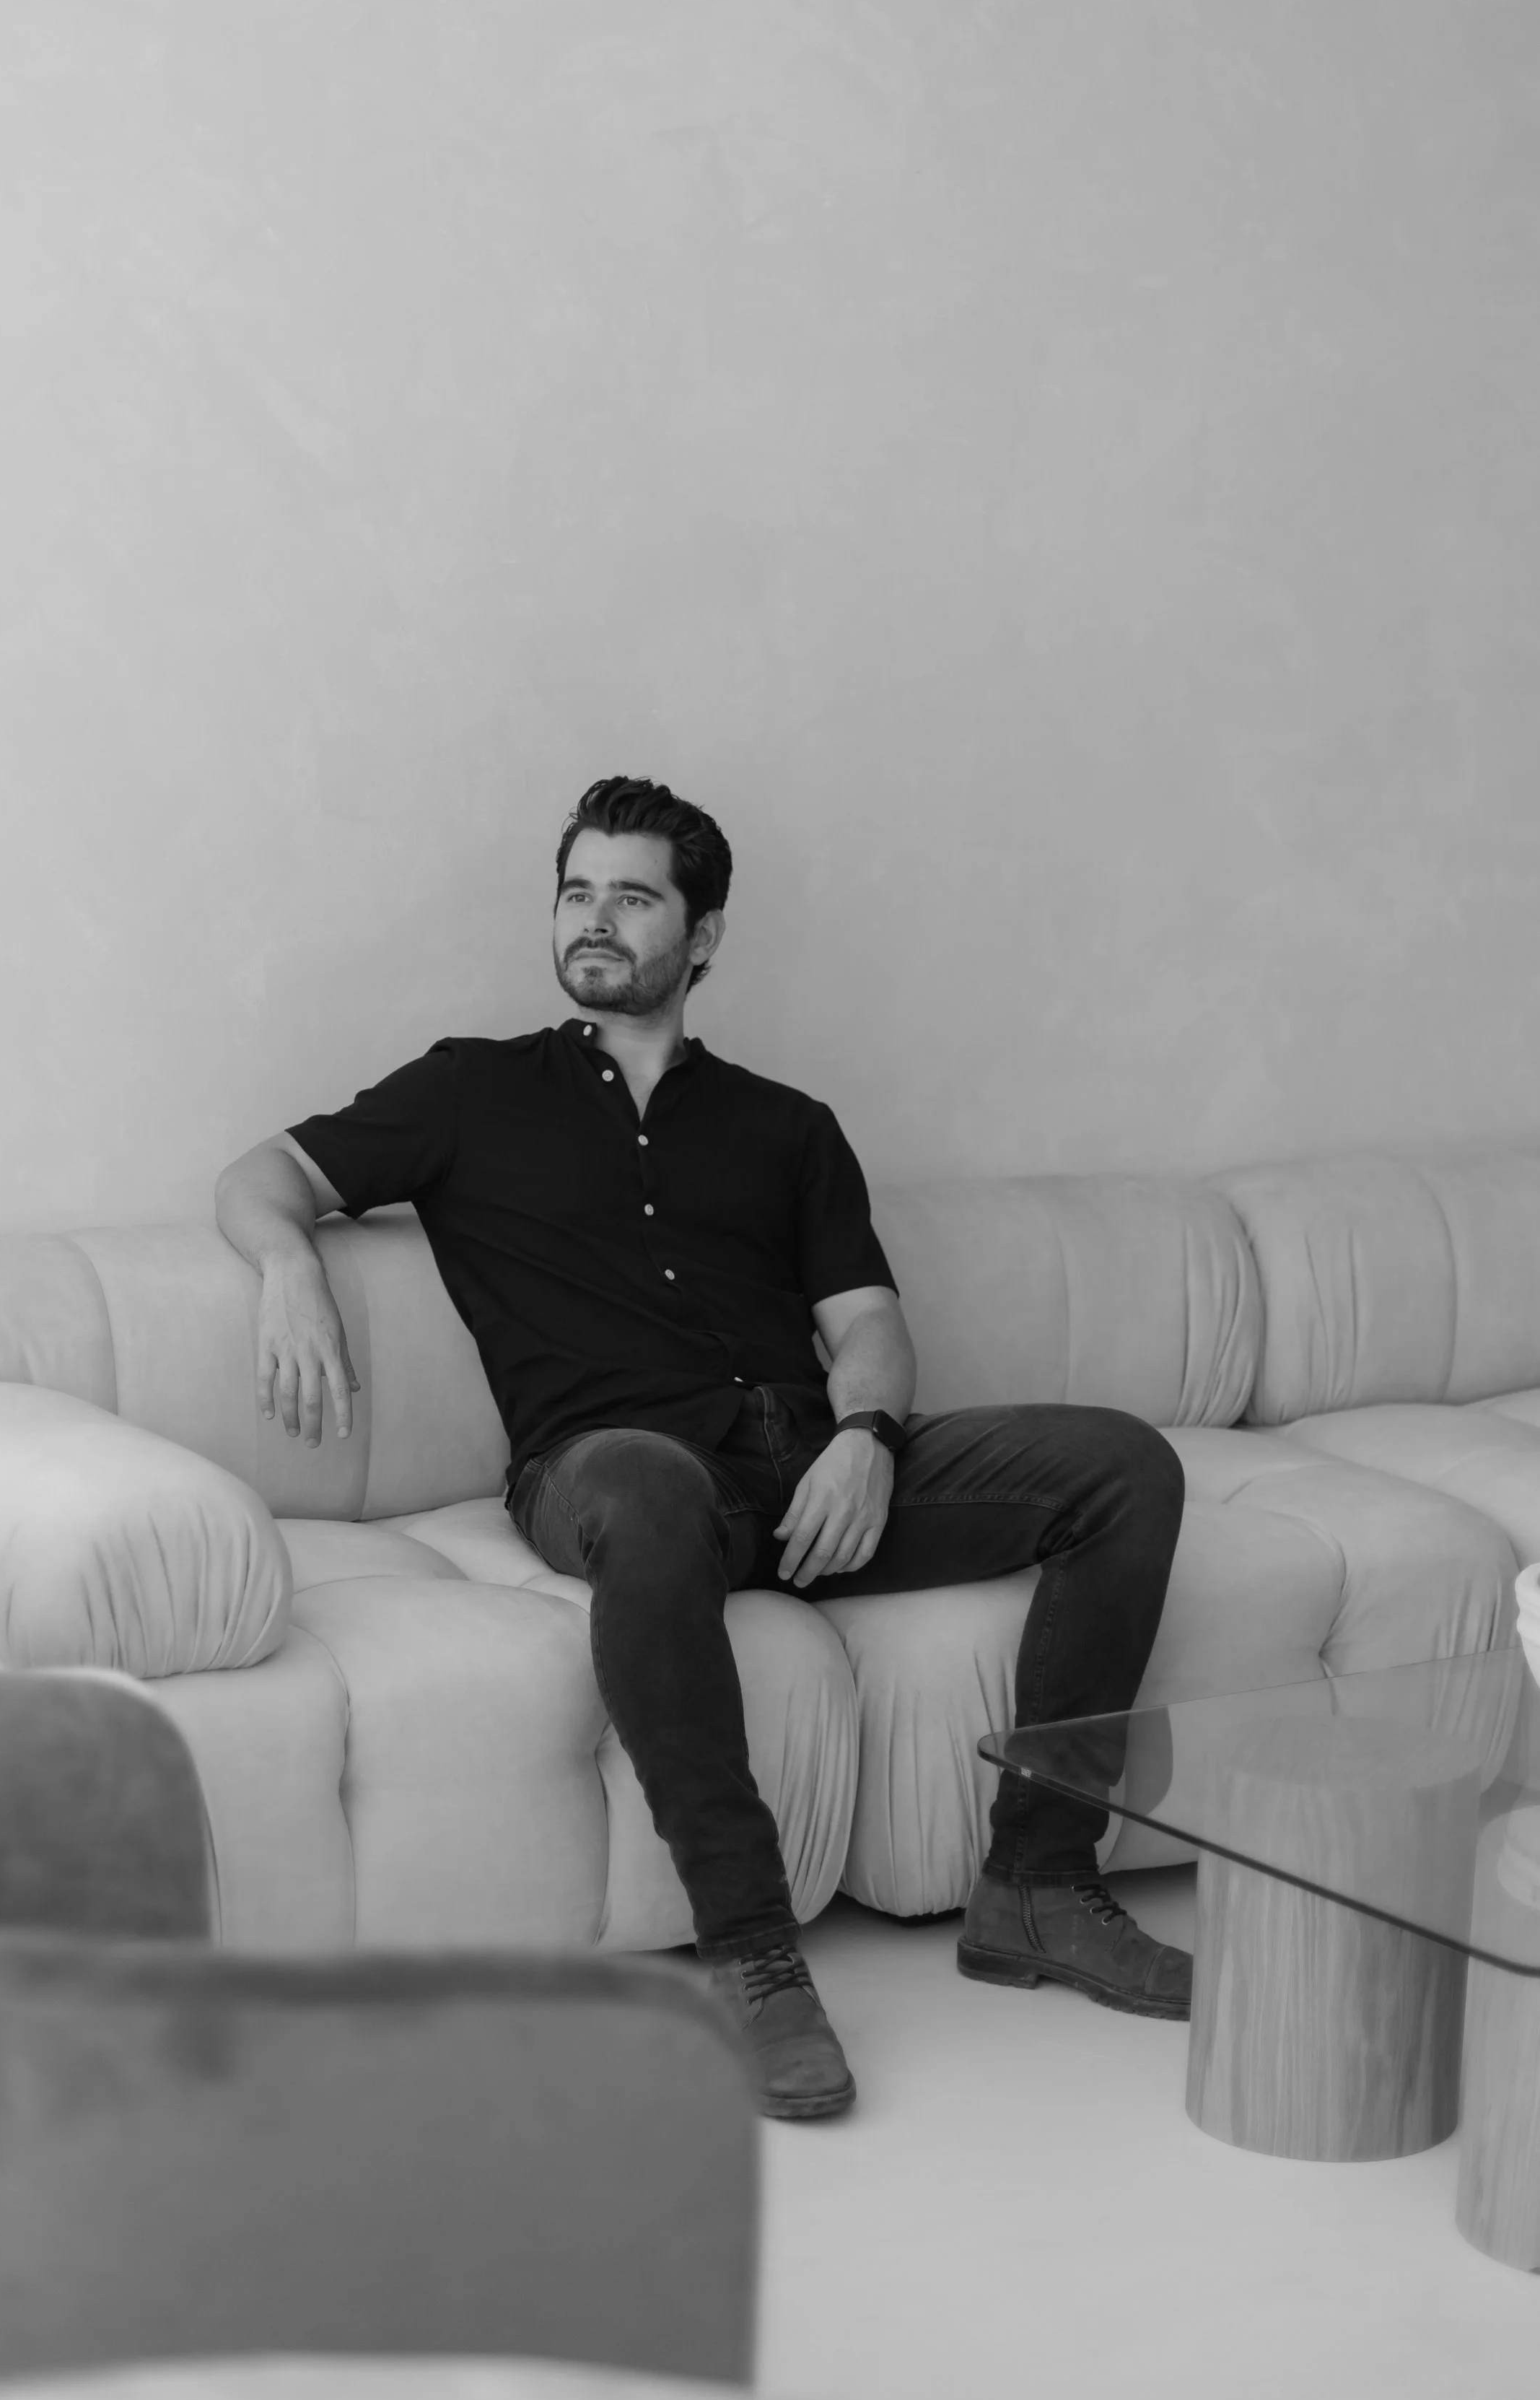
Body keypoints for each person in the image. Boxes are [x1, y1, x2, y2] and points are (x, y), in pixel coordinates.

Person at [215, 774, 1189, 2121]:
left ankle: (1039, 1883)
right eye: (577, 892)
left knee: (1124, 1467)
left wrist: (868, 1436)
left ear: (704, 934)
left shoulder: (786, 1126)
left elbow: (867, 1322)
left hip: (811, 1472)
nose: (594, 918)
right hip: (614, 1472)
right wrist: (288, 1268)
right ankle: (751, 1951)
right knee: (649, 1487)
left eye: (632, 896)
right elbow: (262, 1177)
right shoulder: (470, 1090)